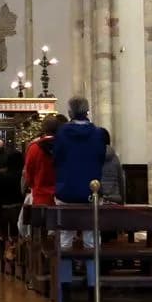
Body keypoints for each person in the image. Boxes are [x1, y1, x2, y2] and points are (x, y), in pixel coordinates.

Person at [52, 96, 109, 249]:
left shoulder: (62, 133)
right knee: (92, 237)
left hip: (67, 190)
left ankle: (65, 272)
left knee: (65, 237)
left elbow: (56, 158)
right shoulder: (98, 134)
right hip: (92, 190)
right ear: (87, 111)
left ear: (70, 112)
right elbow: (101, 158)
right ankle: (92, 272)